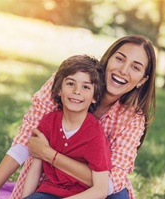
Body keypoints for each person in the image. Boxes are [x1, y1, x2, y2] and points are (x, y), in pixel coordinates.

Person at [0, 34, 156, 199]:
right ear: (108, 59)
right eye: (119, 58)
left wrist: (50, 154)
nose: (123, 70)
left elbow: (108, 184)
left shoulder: (132, 120)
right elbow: (25, 143)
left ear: (142, 80)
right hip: (52, 183)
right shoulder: (67, 83)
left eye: (135, 67)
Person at [21, 55, 111, 199]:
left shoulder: (95, 136)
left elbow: (100, 190)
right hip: (48, 192)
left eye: (86, 87)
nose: (77, 91)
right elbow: (35, 169)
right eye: (70, 83)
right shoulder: (49, 122)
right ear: (59, 89)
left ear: (95, 96)